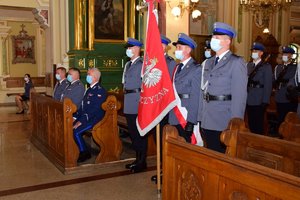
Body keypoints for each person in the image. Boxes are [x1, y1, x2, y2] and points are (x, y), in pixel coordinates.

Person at [199, 22, 248, 153]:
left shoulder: (236, 62)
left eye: (217, 37)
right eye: (213, 37)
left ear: (228, 41)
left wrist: (235, 125)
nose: (213, 40)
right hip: (207, 118)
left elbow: (239, 96)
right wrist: (200, 118)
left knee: (221, 159)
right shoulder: (208, 62)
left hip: (223, 120)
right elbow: (203, 91)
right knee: (209, 155)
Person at [151, 34, 177, 183]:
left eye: (160, 45)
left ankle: (165, 170)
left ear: (165, 47)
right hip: (154, 105)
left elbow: (171, 85)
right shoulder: (152, 62)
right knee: (157, 137)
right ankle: (161, 169)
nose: (157, 48)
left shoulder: (170, 62)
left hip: (165, 106)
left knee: (164, 138)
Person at [168, 33, 201, 143]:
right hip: (174, 114)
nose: (176, 50)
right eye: (176, 47)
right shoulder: (177, 67)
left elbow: (196, 97)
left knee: (187, 146)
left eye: (179, 47)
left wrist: (191, 122)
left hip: (185, 115)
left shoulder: (196, 69)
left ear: (188, 50)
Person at [122, 37, 146, 173]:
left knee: (139, 133)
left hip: (137, 101)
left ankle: (142, 161)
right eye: (127, 48)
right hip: (129, 101)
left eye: (130, 48)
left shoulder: (142, 64)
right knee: (132, 132)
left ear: (137, 49)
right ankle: (137, 159)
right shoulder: (128, 65)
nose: (128, 50)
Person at [73, 68, 107, 163]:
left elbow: (94, 110)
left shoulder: (99, 91)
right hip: (86, 116)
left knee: (76, 131)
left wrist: (81, 121)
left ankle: (84, 153)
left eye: (89, 74)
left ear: (95, 77)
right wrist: (75, 117)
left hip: (94, 119)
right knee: (70, 126)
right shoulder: (89, 89)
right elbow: (83, 106)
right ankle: (76, 149)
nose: (87, 76)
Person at [246, 42, 273, 134]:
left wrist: (265, 101)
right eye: (253, 50)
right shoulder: (248, 65)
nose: (253, 52)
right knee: (250, 123)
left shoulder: (266, 67)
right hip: (248, 98)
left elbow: (268, 85)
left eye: (256, 51)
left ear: (261, 53)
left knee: (258, 125)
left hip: (259, 99)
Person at [274, 46, 298, 125]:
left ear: (291, 56)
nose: (284, 55)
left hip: (289, 98)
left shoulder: (295, 68)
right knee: (280, 120)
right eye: (283, 53)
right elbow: (274, 81)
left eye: (286, 53)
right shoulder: (278, 67)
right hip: (279, 97)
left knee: (290, 122)